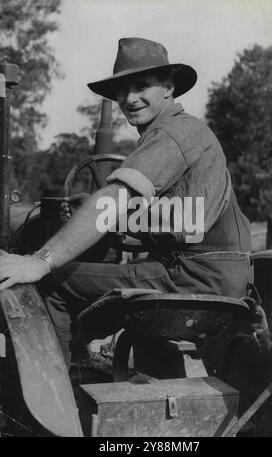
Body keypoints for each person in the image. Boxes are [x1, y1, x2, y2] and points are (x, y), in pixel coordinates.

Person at [0, 38, 255, 366]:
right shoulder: (180, 133)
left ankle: (58, 403)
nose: (129, 98)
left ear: (168, 87)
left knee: (50, 282)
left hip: (192, 278)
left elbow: (115, 198)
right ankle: (96, 372)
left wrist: (40, 259)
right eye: (123, 90)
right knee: (99, 285)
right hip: (218, 278)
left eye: (140, 86)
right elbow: (180, 223)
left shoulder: (174, 133)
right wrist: (95, 211)